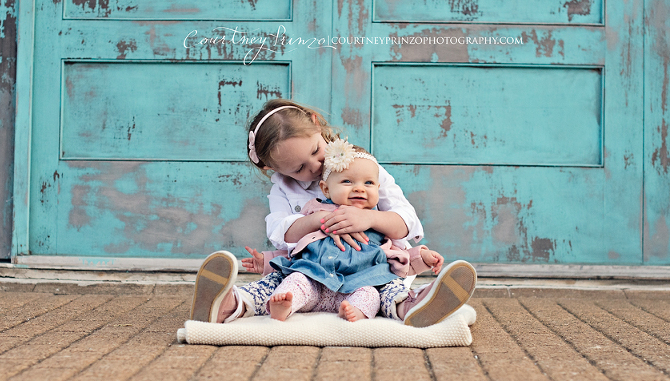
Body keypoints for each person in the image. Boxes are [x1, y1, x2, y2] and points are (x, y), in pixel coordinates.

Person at [190, 99, 477, 328]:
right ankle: (228, 305)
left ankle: (414, 306)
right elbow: (279, 233)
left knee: (387, 290)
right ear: (273, 169)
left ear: (316, 124)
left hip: (370, 272)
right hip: (311, 272)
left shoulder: (361, 168)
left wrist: (370, 218)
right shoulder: (283, 189)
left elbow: (407, 223)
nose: (314, 167)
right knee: (276, 283)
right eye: (298, 169)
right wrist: (317, 221)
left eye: (316, 151)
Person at [247, 140, 445, 322]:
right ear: (325, 189)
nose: (359, 189)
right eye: (348, 182)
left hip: (361, 283)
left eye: (368, 183)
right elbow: (299, 248)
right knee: (295, 280)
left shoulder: (380, 220)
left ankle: (400, 307)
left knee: (373, 294)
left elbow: (395, 252)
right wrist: (266, 261)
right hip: (315, 280)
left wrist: (423, 257)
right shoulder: (315, 213)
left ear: (378, 187)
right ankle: (283, 305)